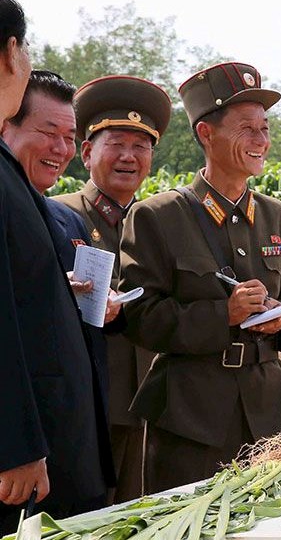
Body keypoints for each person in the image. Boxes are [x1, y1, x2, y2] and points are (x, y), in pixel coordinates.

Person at [119, 62, 281, 493]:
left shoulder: (280, 217)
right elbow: (138, 316)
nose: (261, 140)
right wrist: (223, 313)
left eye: (264, 128)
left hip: (267, 414)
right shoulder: (158, 216)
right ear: (206, 133)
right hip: (191, 417)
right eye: (247, 128)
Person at [0, 0, 111, 533]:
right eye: (49, 133)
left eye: (71, 138)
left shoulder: (62, 219)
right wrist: (16, 443)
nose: (62, 149)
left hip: (70, 449)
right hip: (24, 460)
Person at [53, 75, 171, 502]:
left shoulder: (160, 223)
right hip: (86, 407)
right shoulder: (57, 215)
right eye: (116, 144)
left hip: (150, 407)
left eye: (140, 147)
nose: (129, 157)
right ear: (86, 153)